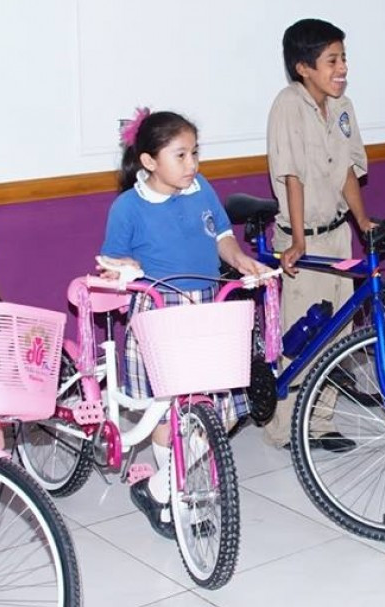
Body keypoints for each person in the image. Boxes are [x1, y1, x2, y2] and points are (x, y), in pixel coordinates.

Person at [98, 109, 267, 539]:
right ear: (149, 161)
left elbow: (222, 237)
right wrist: (125, 269)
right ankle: (174, 501)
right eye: (181, 155)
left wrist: (242, 259)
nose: (192, 164)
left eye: (195, 153)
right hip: (160, 313)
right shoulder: (128, 208)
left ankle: (158, 487)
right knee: (166, 412)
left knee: (221, 410)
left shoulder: (201, 189)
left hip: (207, 305)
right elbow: (113, 262)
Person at [264, 18, 374, 452]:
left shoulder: (342, 106)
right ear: (303, 67)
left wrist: (363, 223)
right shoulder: (287, 105)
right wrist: (298, 242)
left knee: (338, 331)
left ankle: (322, 421)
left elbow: (347, 168)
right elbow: (291, 174)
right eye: (332, 60)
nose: (342, 68)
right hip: (302, 238)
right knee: (302, 333)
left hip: (338, 234)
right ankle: (287, 425)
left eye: (344, 58)